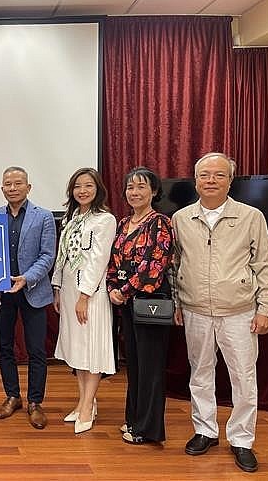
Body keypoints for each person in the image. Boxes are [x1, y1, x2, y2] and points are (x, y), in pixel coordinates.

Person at [172, 153, 268, 473]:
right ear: (196, 180)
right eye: (204, 175)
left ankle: (242, 439)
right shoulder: (181, 218)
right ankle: (205, 430)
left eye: (218, 175)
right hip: (195, 310)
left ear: (230, 180)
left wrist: (266, 308)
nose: (211, 180)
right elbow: (175, 266)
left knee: (243, 378)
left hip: (240, 312)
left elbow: (265, 266)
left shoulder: (250, 216)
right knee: (200, 373)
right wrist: (177, 303)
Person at [106, 167, 175, 445]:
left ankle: (148, 429)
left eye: (141, 187)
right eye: (130, 187)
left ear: (154, 191)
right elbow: (114, 262)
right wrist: (113, 287)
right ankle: (134, 419)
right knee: (133, 365)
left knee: (151, 367)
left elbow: (154, 266)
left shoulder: (160, 223)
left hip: (149, 303)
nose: (134, 192)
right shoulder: (123, 223)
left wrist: (123, 291)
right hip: (126, 304)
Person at [0, 167, 56, 429]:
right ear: (2, 188)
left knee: (36, 350)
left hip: (33, 291)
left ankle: (35, 402)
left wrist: (26, 278)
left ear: (29, 187)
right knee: (5, 347)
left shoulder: (44, 217)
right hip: (2, 293)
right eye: (8, 184)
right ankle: (12, 396)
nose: (13, 188)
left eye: (18, 183)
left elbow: (47, 255)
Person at [52, 168, 116, 434]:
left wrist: (84, 296)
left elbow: (99, 261)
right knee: (76, 349)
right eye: (78, 186)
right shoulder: (71, 218)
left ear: (97, 189)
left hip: (89, 293)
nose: (82, 191)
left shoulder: (105, 220)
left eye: (88, 186)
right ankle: (83, 401)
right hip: (67, 290)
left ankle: (88, 406)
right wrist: (57, 287)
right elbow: (61, 255)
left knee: (91, 350)